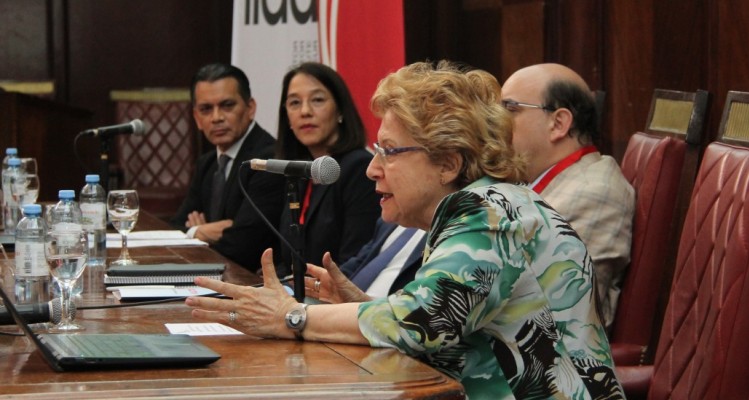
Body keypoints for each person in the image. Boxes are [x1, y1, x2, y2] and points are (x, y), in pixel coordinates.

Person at [186, 61, 624, 399]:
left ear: (448, 163)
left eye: (390, 152)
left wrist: (290, 316)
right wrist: (363, 305)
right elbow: (455, 329)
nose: (373, 169)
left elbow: (422, 322)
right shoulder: (484, 206)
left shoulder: (487, 217)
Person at [500, 63, 635, 330]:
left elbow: (560, 314)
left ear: (558, 123)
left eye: (509, 110)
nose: (495, 125)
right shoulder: (535, 180)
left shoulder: (592, 192)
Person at [171, 63, 285, 270]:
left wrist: (196, 231)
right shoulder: (207, 163)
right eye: (206, 109)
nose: (217, 117)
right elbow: (175, 227)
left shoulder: (269, 160)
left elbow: (244, 244)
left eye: (227, 105)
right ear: (197, 118)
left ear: (250, 108)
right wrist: (197, 232)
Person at [273, 62, 381, 277]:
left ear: (340, 110)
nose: (305, 111)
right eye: (295, 103)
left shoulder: (358, 168)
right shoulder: (300, 172)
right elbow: (286, 259)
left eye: (317, 100)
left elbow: (354, 261)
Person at [338, 217, 426, 297]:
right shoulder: (388, 220)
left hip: (384, 311)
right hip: (342, 302)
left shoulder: (437, 238)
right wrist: (331, 279)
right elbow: (360, 261)